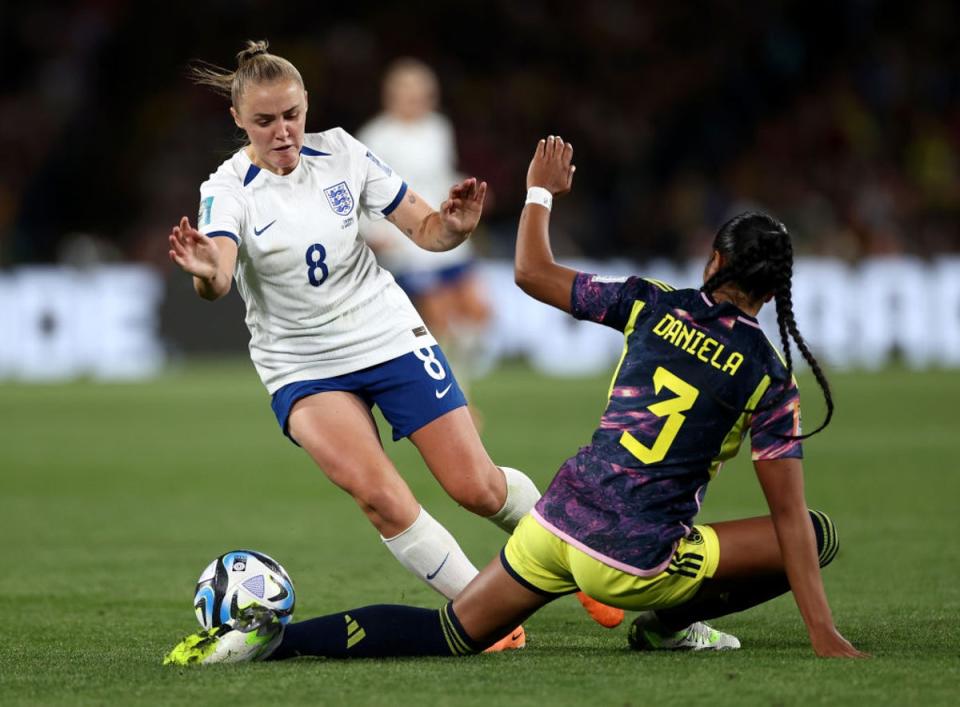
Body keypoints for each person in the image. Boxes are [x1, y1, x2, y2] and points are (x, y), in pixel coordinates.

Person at [165, 136, 865, 666]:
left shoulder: (651, 304)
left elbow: (531, 270)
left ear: (712, 262)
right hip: (636, 559)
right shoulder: (769, 378)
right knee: (817, 530)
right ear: (774, 293)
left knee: (449, 630)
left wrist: (539, 192)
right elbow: (787, 520)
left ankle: (275, 645)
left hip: (555, 524)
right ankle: (666, 623)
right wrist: (822, 631)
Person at [168, 42, 617, 652]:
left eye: (292, 115)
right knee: (381, 498)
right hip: (303, 365)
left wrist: (453, 228)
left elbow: (426, 230)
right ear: (238, 121)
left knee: (476, 488)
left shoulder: (344, 153)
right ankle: (487, 619)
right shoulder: (227, 190)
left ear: (307, 107)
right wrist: (204, 270)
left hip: (385, 333)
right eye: (266, 121)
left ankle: (578, 560)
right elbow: (218, 276)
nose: (283, 131)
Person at [357, 59, 492, 405]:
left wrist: (464, 206)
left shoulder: (437, 128)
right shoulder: (376, 136)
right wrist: (372, 231)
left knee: (479, 314)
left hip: (449, 236)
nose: (416, 98)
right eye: (408, 91)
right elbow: (359, 193)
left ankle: (454, 381)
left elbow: (443, 175)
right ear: (391, 95)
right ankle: (453, 396)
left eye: (422, 92)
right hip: (409, 243)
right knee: (441, 320)